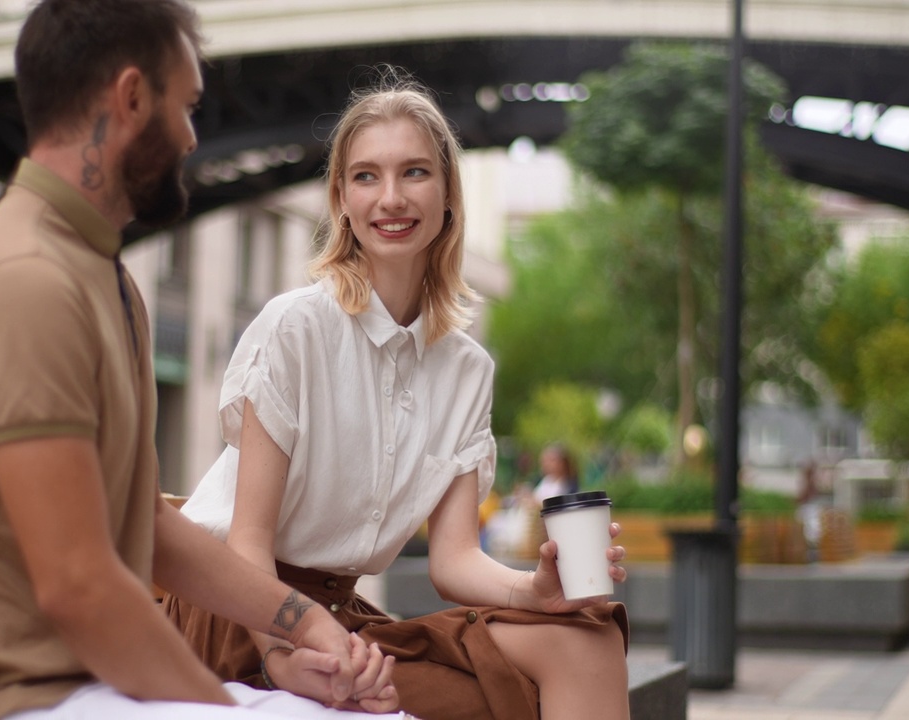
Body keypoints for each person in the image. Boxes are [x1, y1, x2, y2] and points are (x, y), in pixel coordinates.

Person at [0, 2, 400, 719]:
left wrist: (303, 628)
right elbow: (78, 584)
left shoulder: (105, 279)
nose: (194, 136)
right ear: (131, 97)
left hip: (93, 691)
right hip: (11, 703)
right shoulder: (25, 279)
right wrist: (225, 711)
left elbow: (146, 530)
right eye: (187, 106)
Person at [165, 69, 632, 720]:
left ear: (447, 197)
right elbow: (247, 545)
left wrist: (539, 591)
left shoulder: (466, 368)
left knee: (590, 635)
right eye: (366, 176)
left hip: (339, 615)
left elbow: (456, 560)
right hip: (236, 610)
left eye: (414, 172)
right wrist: (281, 652)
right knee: (506, 693)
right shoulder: (296, 327)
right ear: (342, 201)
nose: (390, 198)